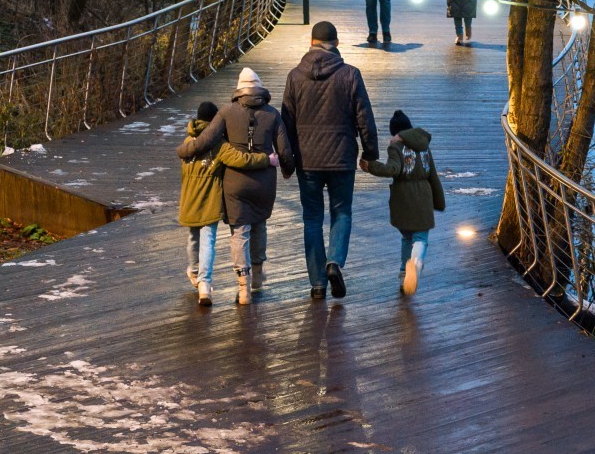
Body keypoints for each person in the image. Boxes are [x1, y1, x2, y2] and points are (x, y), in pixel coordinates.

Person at [178, 69, 295, 305]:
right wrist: (287, 170)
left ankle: (243, 288)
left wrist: (184, 151)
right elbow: (284, 149)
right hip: (264, 182)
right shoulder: (272, 114)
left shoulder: (226, 112)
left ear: (239, 90)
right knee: (259, 223)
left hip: (235, 182)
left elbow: (205, 140)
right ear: (259, 89)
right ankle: (258, 274)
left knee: (240, 232)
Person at [281, 21, 379, 300]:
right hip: (342, 158)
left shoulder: (294, 77)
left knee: (312, 219)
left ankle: (317, 284)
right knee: (342, 212)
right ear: (336, 44)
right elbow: (364, 118)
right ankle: (334, 262)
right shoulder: (350, 75)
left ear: (311, 43)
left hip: (307, 161)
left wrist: (288, 162)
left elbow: (284, 123)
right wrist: (369, 153)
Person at [361, 110, 445, 296]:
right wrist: (438, 201)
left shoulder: (396, 147)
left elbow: (393, 169)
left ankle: (403, 274)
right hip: (423, 196)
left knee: (407, 237)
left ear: (395, 132)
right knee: (421, 238)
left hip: (403, 198)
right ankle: (414, 264)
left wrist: (371, 166)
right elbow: (433, 175)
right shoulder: (424, 146)